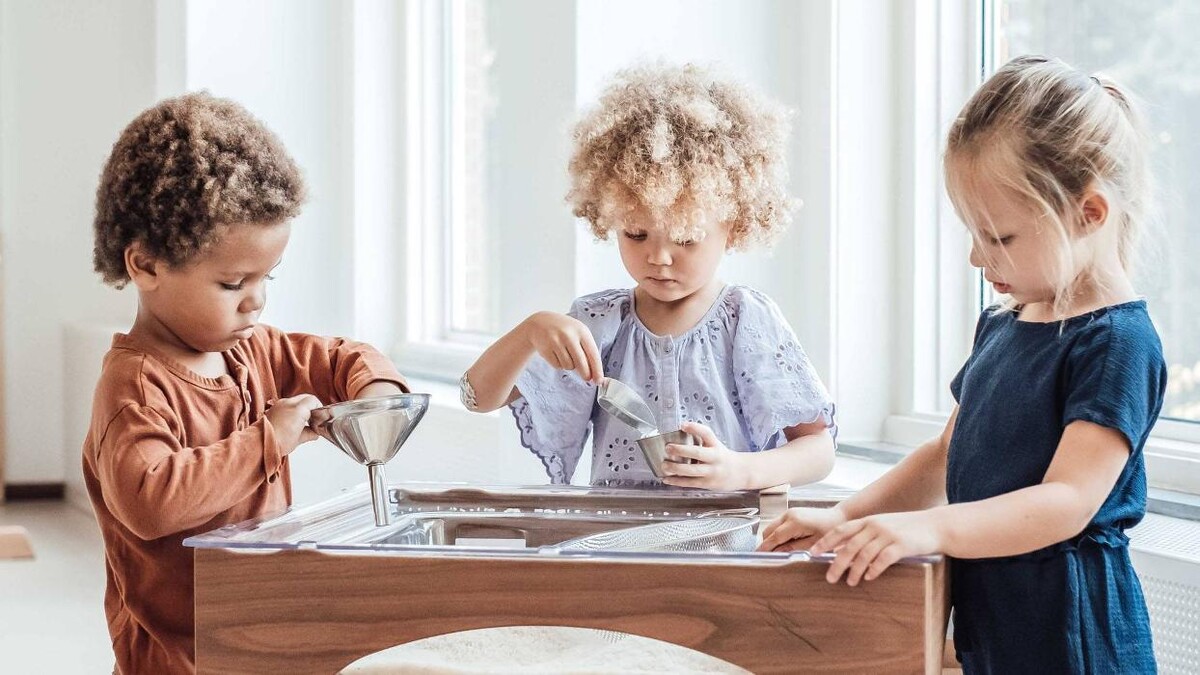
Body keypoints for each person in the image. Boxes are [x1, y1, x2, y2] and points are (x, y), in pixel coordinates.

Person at [760, 56, 1164, 673]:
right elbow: (946, 452)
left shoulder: (1116, 343)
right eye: (970, 232)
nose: (978, 257)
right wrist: (845, 515)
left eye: (999, 237)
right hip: (995, 625)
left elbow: (1066, 500)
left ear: (1089, 213)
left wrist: (934, 530)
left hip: (1072, 636)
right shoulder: (1003, 325)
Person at [83, 92, 409, 672]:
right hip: (176, 657)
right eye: (233, 283)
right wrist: (268, 441)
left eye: (267, 277)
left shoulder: (253, 350)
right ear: (146, 266)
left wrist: (374, 396)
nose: (256, 301)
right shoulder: (134, 385)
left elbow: (343, 358)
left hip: (259, 629)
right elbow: (151, 502)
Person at [461, 63, 836, 489]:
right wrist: (530, 331)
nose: (658, 257)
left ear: (733, 227)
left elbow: (818, 450)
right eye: (636, 234)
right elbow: (477, 397)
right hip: (619, 547)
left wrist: (739, 470)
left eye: (686, 238)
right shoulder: (597, 324)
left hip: (723, 546)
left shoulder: (746, 321)